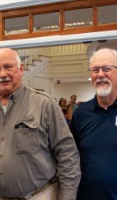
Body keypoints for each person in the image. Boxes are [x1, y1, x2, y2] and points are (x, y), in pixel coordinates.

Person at [0, 48, 81, 200]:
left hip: (39, 196)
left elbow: (67, 155)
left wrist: (67, 196)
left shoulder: (45, 104)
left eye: (8, 67)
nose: (2, 74)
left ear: (21, 69)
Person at [71, 48, 117, 200]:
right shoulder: (80, 113)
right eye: (95, 70)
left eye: (106, 69)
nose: (100, 74)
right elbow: (72, 156)